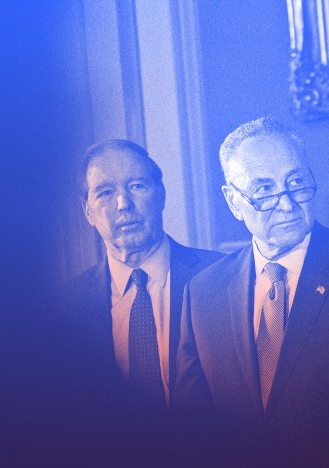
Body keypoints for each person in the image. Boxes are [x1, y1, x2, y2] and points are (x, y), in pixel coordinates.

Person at [174, 117, 329, 468]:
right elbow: (192, 429)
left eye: (296, 183)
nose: (287, 204)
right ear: (233, 201)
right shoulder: (203, 293)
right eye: (264, 190)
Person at [69, 140, 222, 411]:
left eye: (136, 186)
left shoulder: (223, 278)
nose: (123, 204)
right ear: (88, 211)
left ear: (160, 194)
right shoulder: (66, 306)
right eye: (105, 192)